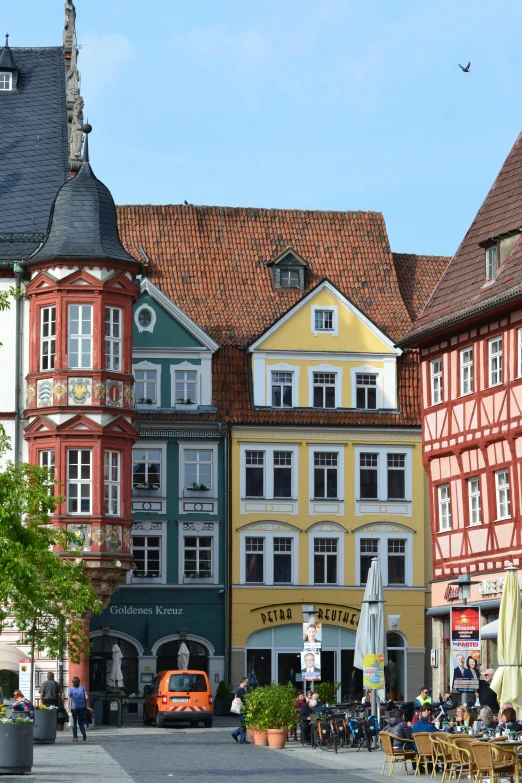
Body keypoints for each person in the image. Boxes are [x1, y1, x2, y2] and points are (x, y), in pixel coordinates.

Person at [67, 676, 88, 742]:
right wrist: (84, 702)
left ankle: (75, 737)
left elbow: (69, 698)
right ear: (79, 682)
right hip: (82, 707)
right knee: (80, 721)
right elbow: (86, 697)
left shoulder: (71, 689)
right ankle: (83, 731)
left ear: (73, 682)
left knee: (74, 722)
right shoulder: (82, 688)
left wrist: (69, 706)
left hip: (74, 707)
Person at [231, 676, 249, 744]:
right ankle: (242, 739)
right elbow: (238, 699)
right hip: (241, 709)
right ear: (243, 682)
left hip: (243, 709)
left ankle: (236, 734)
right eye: (247, 682)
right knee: (243, 724)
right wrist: (243, 707)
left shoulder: (243, 690)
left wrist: (249, 705)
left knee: (244, 723)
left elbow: (245, 699)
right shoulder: (239, 689)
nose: (247, 683)